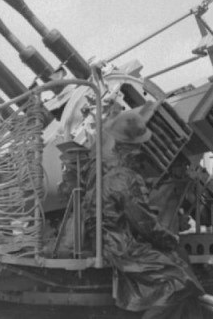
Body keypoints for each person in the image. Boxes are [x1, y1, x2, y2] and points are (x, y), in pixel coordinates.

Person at [83, 110, 204, 319]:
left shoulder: (108, 175)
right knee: (180, 282)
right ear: (135, 151)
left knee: (175, 266)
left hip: (109, 242)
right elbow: (145, 224)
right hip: (123, 246)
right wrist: (171, 239)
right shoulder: (127, 178)